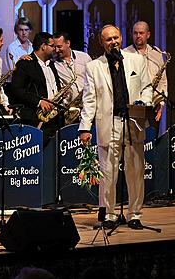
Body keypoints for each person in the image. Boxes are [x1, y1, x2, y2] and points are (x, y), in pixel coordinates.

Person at [79, 25, 152, 229]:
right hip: (108, 124)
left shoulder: (137, 60)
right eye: (109, 39)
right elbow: (89, 99)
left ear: (121, 38)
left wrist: (142, 103)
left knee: (136, 171)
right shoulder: (94, 66)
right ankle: (110, 214)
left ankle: (134, 214)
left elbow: (147, 88)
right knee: (108, 172)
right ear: (102, 42)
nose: (114, 42)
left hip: (132, 122)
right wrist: (85, 127)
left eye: (116, 38)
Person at [7, 32, 61, 127]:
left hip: (54, 117)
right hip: (34, 117)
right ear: (43, 46)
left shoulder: (52, 64)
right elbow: (17, 90)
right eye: (52, 46)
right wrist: (39, 102)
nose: (55, 49)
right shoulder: (25, 64)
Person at [123, 21, 168, 122]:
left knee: (153, 136)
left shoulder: (157, 52)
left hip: (154, 104)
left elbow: (163, 80)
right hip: (134, 105)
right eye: (135, 33)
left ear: (148, 35)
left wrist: (161, 102)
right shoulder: (125, 53)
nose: (138, 36)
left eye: (141, 33)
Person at [52, 31, 91, 103]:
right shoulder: (53, 64)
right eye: (54, 47)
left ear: (68, 43)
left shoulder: (84, 57)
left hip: (88, 101)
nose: (57, 50)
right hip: (71, 106)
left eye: (59, 47)